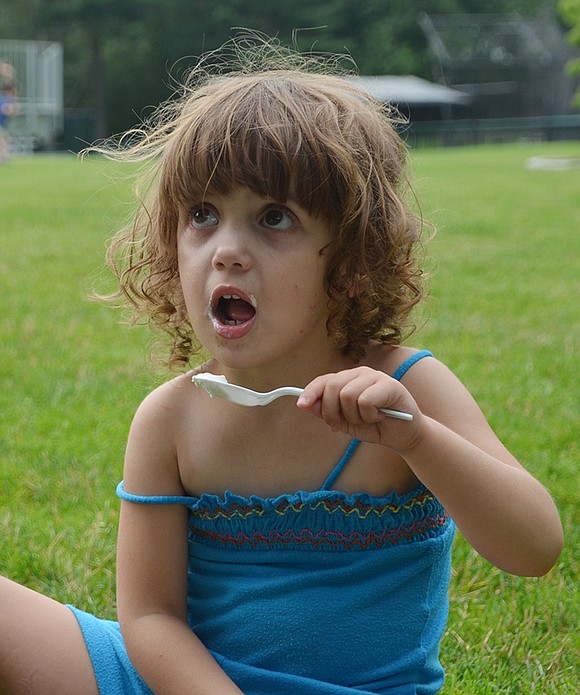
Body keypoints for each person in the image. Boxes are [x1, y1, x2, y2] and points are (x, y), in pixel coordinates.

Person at [0, 39, 563, 695]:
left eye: (274, 218)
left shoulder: (409, 389)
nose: (227, 251)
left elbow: (535, 546)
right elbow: (151, 617)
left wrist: (418, 438)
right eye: (202, 216)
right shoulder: (171, 419)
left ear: (350, 255)